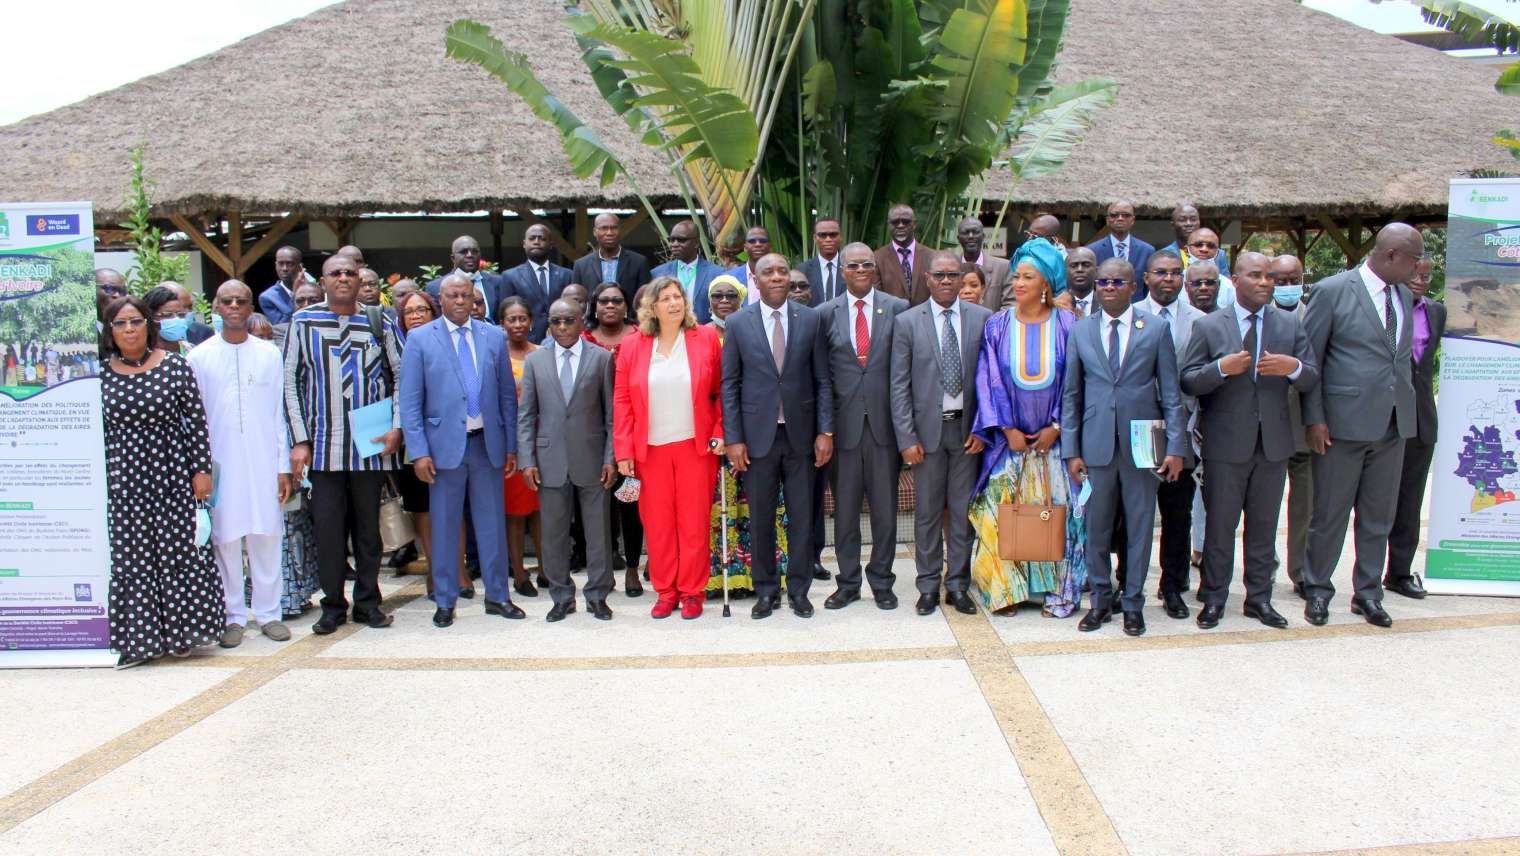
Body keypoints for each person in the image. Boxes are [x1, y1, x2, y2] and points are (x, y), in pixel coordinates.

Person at [1181, 252, 1319, 630]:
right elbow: (1189, 380)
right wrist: (1221, 369)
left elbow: (1311, 377)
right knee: (1220, 529)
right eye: (1256, 275)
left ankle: (1259, 600)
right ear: (1236, 279)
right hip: (1225, 445)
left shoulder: (1289, 325)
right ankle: (1213, 599)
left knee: (1263, 528)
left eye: (1269, 277)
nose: (1265, 283)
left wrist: (1292, 369)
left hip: (1272, 444)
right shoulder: (1211, 326)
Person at [1301, 224, 1423, 628]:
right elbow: (1311, 361)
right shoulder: (1333, 291)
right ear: (1391, 255)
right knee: (1330, 515)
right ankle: (1317, 589)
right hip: (1341, 425)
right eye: (1413, 259)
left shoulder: (1403, 294)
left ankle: (1368, 593)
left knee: (1377, 516)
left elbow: (1398, 360)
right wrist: (1315, 418)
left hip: (1392, 424)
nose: (1418, 268)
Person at [1062, 258, 1187, 637]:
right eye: (1103, 282)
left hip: (1142, 447)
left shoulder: (1156, 328)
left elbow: (1171, 393)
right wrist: (1071, 449)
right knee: (1096, 530)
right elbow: (1072, 394)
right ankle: (1100, 601)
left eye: (1118, 282)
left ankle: (1133, 603)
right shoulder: (1081, 331)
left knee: (1138, 529)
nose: (1109, 287)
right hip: (1096, 446)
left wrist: (1176, 446)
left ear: (1135, 287)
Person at [99, 296, 224, 668]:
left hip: (172, 475)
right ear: (110, 331)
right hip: (124, 482)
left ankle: (184, 633)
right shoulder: (100, 373)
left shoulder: (174, 366)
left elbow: (197, 423)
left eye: (135, 321)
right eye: (120, 324)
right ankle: (142, 640)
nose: (129, 329)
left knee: (179, 552)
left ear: (147, 325)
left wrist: (202, 472)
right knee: (133, 558)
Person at [283, 254, 404, 634]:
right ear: (323, 281)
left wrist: (398, 427)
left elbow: (402, 377)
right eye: (335, 273)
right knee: (329, 532)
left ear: (360, 279)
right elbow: (290, 383)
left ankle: (368, 603)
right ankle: (333, 605)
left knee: (369, 532)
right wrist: (299, 440)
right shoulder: (303, 322)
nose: (343, 279)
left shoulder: (379, 320)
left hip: (369, 447)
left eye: (350, 273)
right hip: (322, 448)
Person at [399, 274, 523, 628]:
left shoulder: (494, 336)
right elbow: (410, 402)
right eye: (451, 295)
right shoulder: (421, 339)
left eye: (465, 295)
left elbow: (505, 398)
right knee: (444, 526)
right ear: (441, 299)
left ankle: (498, 597)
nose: (458, 301)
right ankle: (445, 599)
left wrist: (511, 445)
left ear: (474, 299)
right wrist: (419, 451)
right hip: (441, 451)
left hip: (487, 444)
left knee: (491, 525)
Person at [968, 240, 1081, 616]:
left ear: (1046, 284)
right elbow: (988, 380)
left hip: (1054, 445)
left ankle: (1057, 594)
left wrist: (1057, 427)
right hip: (1010, 445)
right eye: (1017, 276)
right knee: (1000, 515)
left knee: (1057, 516)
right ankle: (1006, 591)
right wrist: (1006, 429)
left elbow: (1076, 382)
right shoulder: (997, 325)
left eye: (1028, 277)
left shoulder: (1068, 324)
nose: (1018, 283)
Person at [722, 254, 834, 618]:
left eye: (782, 271)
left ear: (790, 278)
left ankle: (799, 591)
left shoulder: (810, 320)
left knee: (802, 517)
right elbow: (730, 385)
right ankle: (766, 590)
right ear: (754, 278)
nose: (776, 277)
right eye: (767, 272)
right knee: (761, 518)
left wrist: (825, 431)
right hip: (756, 439)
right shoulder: (738, 323)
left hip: (802, 437)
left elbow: (822, 380)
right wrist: (734, 439)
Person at [187, 281, 294, 647]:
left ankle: (269, 614)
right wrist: (199, 469)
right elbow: (194, 419)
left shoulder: (268, 353)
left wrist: (283, 465)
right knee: (225, 539)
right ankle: (232, 616)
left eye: (241, 301)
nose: (234, 305)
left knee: (266, 535)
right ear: (215, 306)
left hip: (264, 459)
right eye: (227, 300)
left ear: (251, 308)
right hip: (220, 463)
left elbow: (279, 412)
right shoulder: (198, 357)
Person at [613, 276, 726, 619]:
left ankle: (692, 592)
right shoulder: (633, 344)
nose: (674, 303)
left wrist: (721, 430)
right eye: (666, 298)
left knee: (693, 523)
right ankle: (666, 591)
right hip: (651, 449)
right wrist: (624, 451)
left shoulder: (706, 337)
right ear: (652, 306)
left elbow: (722, 390)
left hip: (695, 447)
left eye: (678, 297)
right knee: (658, 524)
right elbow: (622, 399)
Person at [891, 253, 991, 614]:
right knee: (928, 513)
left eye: (954, 275)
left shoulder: (983, 319)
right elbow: (898, 385)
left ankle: (958, 585)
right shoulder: (906, 323)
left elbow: (990, 382)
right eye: (940, 275)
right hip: (926, 436)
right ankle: (928, 585)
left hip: (967, 434)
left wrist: (984, 429)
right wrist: (906, 439)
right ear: (928, 280)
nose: (948, 281)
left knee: (963, 513)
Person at [819, 243, 909, 611]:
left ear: (876, 270)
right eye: (852, 265)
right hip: (843, 430)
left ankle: (883, 582)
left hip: (885, 429)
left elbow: (905, 375)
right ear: (841, 271)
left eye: (866, 265)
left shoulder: (899, 310)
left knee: (886, 512)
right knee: (846, 513)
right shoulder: (824, 314)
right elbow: (821, 377)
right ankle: (848, 582)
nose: (860, 270)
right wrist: (824, 429)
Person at [520, 299, 617, 621]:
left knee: (598, 532)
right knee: (554, 533)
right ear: (549, 322)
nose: (562, 327)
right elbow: (527, 415)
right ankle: (561, 596)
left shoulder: (601, 359)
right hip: (549, 460)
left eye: (569, 321)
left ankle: (598, 595)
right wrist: (527, 460)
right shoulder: (536, 362)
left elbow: (611, 416)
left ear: (581, 322)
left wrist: (610, 457)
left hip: (591, 457)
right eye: (557, 321)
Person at [705, 275, 788, 598]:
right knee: (722, 509)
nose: (724, 300)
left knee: (761, 507)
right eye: (717, 295)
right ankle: (724, 576)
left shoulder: (757, 327)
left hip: (758, 433)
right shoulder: (700, 335)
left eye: (730, 295)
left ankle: (763, 576)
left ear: (741, 299)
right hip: (718, 432)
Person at [1134, 250, 1206, 618]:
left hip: (1182, 430)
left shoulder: (1202, 322)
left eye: (1176, 273)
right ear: (1146, 278)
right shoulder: (1129, 317)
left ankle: (1173, 586)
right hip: (1139, 431)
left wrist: (1189, 433)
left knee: (1177, 514)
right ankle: (1127, 582)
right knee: (1133, 513)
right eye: (1160, 273)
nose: (1168, 279)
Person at [394, 290, 468, 597]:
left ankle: (460, 570)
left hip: (448, 438)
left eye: (421, 309)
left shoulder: (447, 342)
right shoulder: (393, 346)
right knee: (422, 508)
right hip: (408, 441)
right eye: (408, 311)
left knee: (454, 508)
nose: (414, 315)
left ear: (433, 312)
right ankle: (434, 570)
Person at [1387, 255, 1445, 599]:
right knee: (1378, 502)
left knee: (1410, 501)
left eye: (1426, 276)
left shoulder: (1435, 312)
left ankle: (1398, 573)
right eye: (1414, 274)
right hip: (1387, 419)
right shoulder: (1385, 312)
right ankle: (1364, 577)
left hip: (1422, 420)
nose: (1420, 281)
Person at [584, 282, 644, 595]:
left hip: (632, 434)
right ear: (594, 306)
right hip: (594, 436)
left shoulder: (641, 336)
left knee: (630, 503)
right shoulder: (583, 339)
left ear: (626, 306)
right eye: (603, 300)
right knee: (600, 508)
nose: (610, 305)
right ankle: (605, 567)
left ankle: (633, 567)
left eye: (617, 300)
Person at [1269, 254, 1315, 598]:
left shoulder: (1316, 314)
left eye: (1293, 279)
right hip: (1265, 428)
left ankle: (1300, 571)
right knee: (1262, 506)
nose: (1287, 286)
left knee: (1306, 505)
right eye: (1280, 280)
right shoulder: (1258, 315)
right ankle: (1262, 569)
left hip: (1304, 427)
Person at [503, 224, 574, 342]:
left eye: (542, 238)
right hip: (526, 340)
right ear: (524, 243)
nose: (537, 242)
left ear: (551, 244)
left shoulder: (566, 275)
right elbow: (506, 313)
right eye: (532, 238)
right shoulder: (510, 276)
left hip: (561, 338)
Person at [573, 213, 652, 309]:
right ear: (594, 232)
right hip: (593, 322)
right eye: (604, 228)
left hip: (628, 321)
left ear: (620, 230)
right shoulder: (581, 265)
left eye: (614, 228)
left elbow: (645, 299)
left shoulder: (639, 262)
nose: (609, 233)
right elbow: (577, 301)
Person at [651, 220, 725, 322]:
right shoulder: (657, 274)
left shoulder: (717, 274)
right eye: (672, 240)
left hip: (703, 333)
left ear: (696, 243)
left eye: (681, 240)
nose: (674, 244)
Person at [428, 235, 505, 321]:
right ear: (453, 258)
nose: (470, 255)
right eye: (463, 252)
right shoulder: (435, 287)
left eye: (475, 251)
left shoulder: (498, 282)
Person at [1087, 201, 1155, 292]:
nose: (1120, 218)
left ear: (1133, 220)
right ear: (1107, 220)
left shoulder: (1147, 251)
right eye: (1114, 215)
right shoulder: (1092, 251)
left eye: (1126, 215)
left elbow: (1149, 287)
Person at [877, 204, 938, 303]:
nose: (900, 226)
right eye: (895, 222)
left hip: (923, 317)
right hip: (891, 317)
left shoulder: (932, 257)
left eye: (906, 222)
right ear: (889, 224)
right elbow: (877, 297)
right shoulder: (877, 258)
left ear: (914, 224)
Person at [1159, 203, 1232, 277]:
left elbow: (1226, 283)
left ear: (1199, 223)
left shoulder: (1219, 254)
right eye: (1182, 220)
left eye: (1193, 219)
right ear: (1173, 225)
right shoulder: (1163, 255)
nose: (1188, 224)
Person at [955, 217, 1012, 310]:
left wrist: (992, 324)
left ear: (983, 236)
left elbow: (1010, 305)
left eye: (975, 232)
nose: (970, 236)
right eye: (965, 232)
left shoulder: (1003, 267)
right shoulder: (950, 268)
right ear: (958, 238)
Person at [1179, 229, 1236, 309]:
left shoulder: (1228, 287)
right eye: (1198, 245)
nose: (1204, 249)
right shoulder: (1177, 282)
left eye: (1211, 246)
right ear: (1186, 250)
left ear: (1218, 251)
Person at [796, 217, 844, 306]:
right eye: (823, 235)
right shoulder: (802, 270)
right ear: (815, 238)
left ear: (840, 237)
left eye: (833, 234)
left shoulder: (850, 267)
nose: (828, 239)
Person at [725, 225, 773, 303]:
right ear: (745, 248)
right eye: (752, 241)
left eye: (763, 241)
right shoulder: (730, 278)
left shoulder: (781, 277)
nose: (758, 244)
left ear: (770, 247)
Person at [259, 246, 305, 325]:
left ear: (300, 267)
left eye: (289, 264)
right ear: (276, 265)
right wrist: (295, 295)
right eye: (280, 264)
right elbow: (282, 326)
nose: (284, 268)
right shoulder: (268, 297)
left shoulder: (312, 291)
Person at [144, 285, 195, 355]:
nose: (176, 319)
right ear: (151, 317)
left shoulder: (191, 351)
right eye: (167, 315)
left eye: (181, 315)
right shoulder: (140, 354)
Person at [273, 281, 324, 350]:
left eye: (313, 301)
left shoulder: (334, 328)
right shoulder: (279, 331)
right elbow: (288, 355)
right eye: (300, 301)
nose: (306, 305)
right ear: (293, 304)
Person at [1064, 247, 1098, 317]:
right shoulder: (1057, 305)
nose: (1079, 269)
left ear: (1096, 270)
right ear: (1065, 271)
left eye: (1086, 265)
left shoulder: (1107, 303)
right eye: (1074, 266)